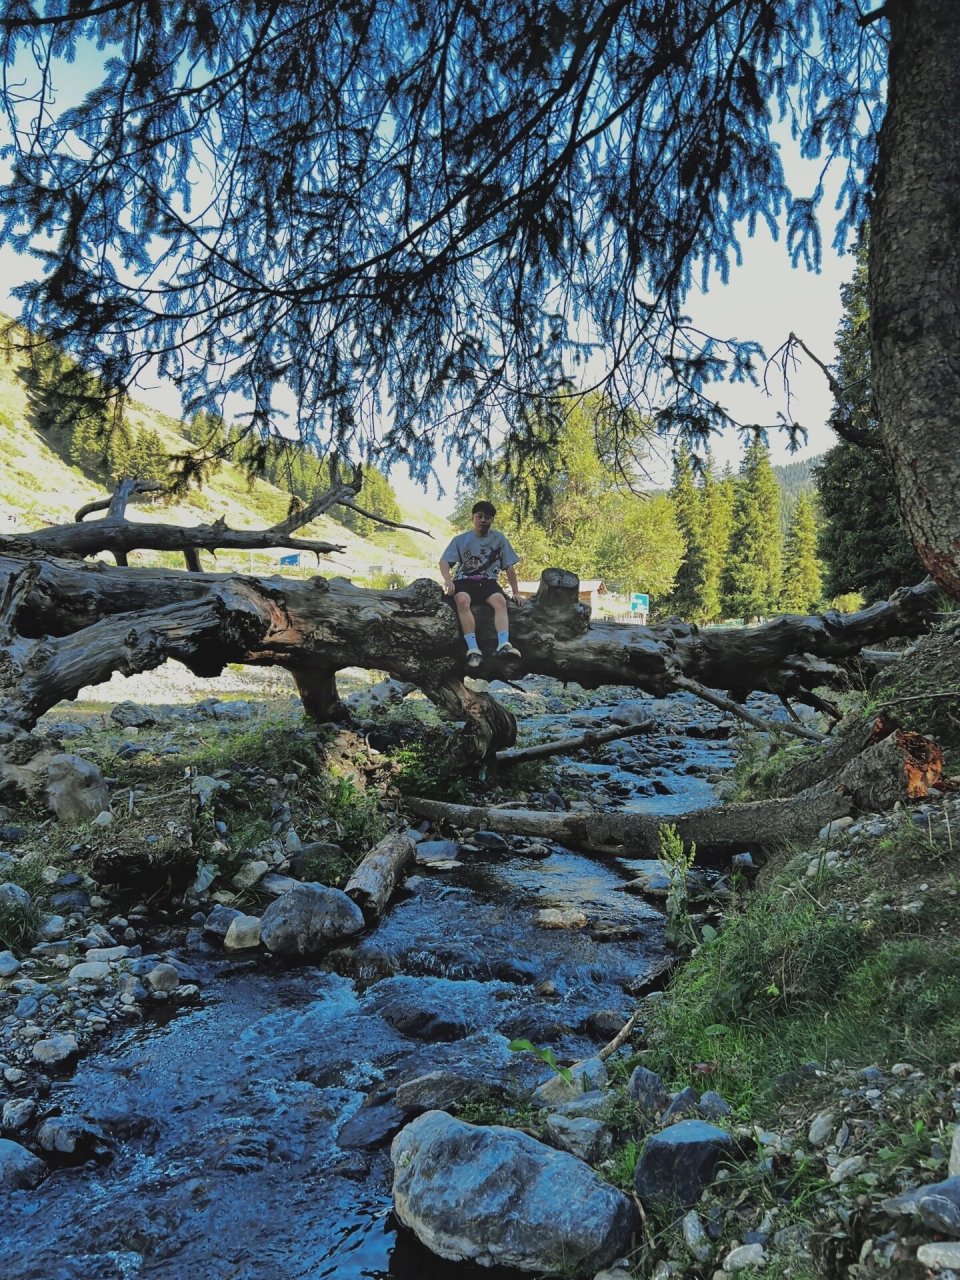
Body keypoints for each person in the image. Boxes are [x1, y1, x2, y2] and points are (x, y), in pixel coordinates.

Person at [439, 500, 524, 669]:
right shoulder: (461, 540)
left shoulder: (499, 539)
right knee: (462, 600)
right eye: (480, 516)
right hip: (464, 581)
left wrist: (516, 592)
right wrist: (448, 579)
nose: (483, 520)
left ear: (492, 520)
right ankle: (473, 649)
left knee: (500, 601)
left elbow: (509, 567)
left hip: (488, 581)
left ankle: (503, 644)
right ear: (473, 518)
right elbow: (444, 561)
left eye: (488, 517)